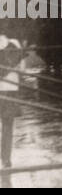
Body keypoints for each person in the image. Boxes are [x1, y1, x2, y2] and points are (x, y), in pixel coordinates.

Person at [1, 34, 25, 176]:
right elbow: (22, 70)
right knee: (7, 126)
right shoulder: (15, 43)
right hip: (10, 90)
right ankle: (5, 159)